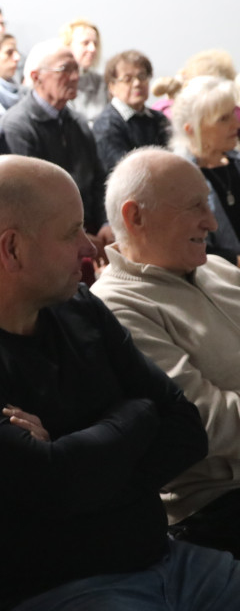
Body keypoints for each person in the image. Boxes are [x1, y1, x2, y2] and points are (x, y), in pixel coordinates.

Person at [0, 154, 240, 611]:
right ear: (12, 249)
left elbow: (187, 431)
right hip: (57, 598)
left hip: (170, 562)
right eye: (70, 233)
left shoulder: (79, 307)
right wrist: (136, 414)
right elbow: (57, 485)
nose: (87, 247)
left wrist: (71, 455)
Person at [93, 148, 240, 557]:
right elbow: (204, 422)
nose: (210, 223)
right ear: (135, 217)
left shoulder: (216, 268)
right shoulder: (115, 307)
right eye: (194, 207)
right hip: (218, 506)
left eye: (208, 204)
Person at [0, 46, 111, 255]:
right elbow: (30, 198)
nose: (76, 77)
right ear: (36, 76)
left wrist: (106, 223)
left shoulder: (77, 122)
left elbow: (98, 179)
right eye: (65, 70)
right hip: (46, 241)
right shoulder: (18, 126)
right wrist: (79, 234)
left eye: (76, 70)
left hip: (88, 232)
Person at [171, 75, 240, 264]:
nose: (236, 124)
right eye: (223, 119)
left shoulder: (235, 162)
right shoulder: (179, 179)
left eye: (233, 113)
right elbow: (190, 246)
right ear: (192, 129)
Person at [92, 50, 170, 171]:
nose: (137, 83)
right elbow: (123, 170)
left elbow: (172, 158)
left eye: (142, 76)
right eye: (128, 79)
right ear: (112, 87)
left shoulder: (159, 119)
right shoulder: (106, 125)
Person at [60, 18, 105, 125]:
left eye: (95, 43)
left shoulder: (101, 82)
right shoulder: (57, 80)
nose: (93, 49)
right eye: (85, 43)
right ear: (68, 46)